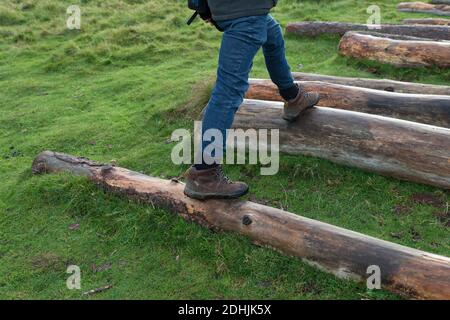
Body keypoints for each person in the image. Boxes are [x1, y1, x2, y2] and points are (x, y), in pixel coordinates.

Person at [184, 0, 320, 200]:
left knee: (272, 35)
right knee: (228, 92)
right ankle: (204, 172)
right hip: (245, 10)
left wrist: (204, 7)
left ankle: (293, 96)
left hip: (248, 9)